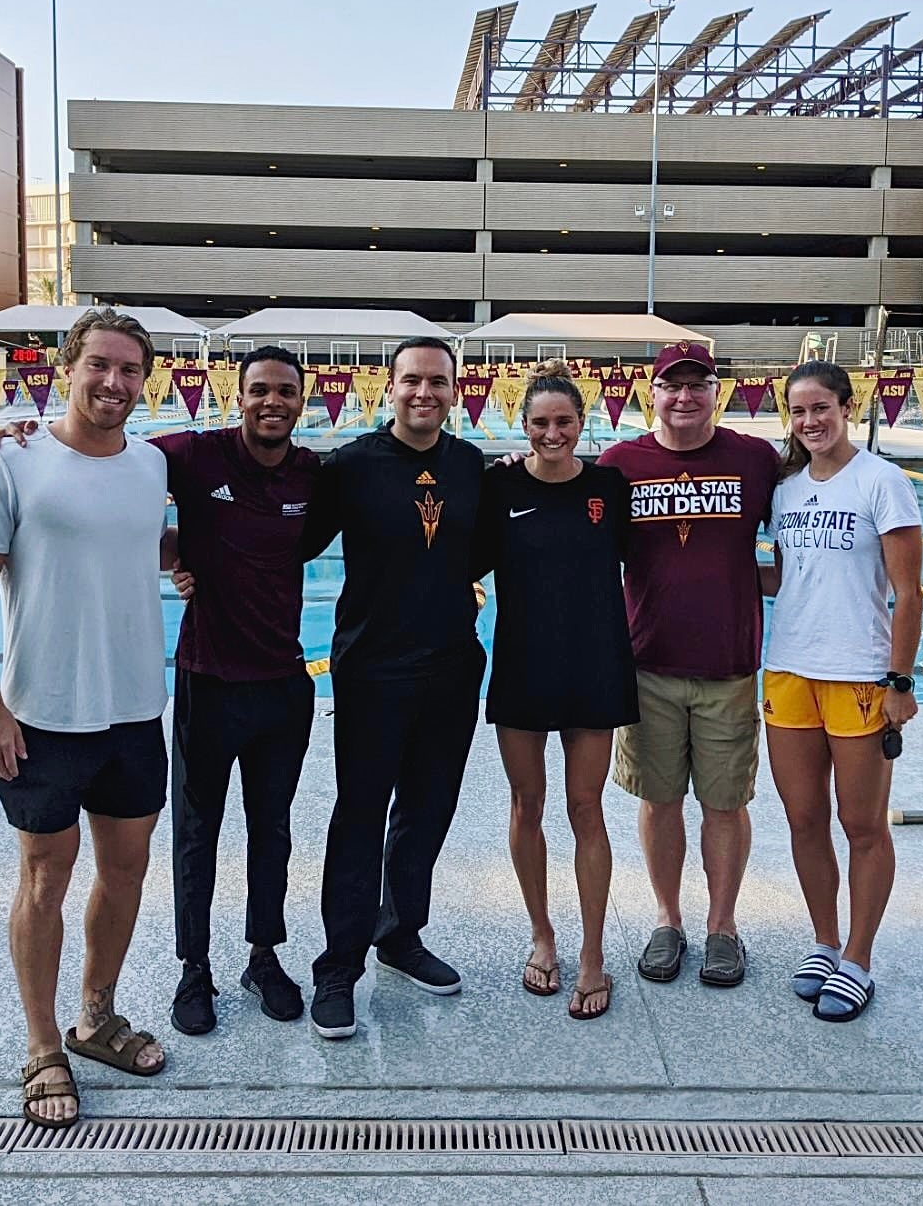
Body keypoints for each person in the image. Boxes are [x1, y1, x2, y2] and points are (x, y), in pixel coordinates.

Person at [0, 308, 172, 1129]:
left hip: (135, 710)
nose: (114, 384)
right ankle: (43, 1044)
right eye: (100, 366)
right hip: (40, 715)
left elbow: (141, 538)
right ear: (66, 368)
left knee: (126, 870)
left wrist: (183, 562)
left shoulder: (151, 465)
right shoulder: (10, 461)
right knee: (45, 876)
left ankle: (96, 1016)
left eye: (129, 370)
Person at [301, 336, 485, 1040]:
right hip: (373, 668)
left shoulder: (471, 468)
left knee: (428, 809)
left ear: (454, 390)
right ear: (390, 387)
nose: (424, 393)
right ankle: (338, 963)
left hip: (450, 667)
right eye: (412, 380)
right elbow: (284, 538)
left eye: (438, 382)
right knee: (359, 815)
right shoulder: (349, 467)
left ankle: (400, 933)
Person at [600, 341, 778, 989]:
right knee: (659, 798)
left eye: (696, 385)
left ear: (716, 392)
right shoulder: (619, 464)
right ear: (652, 394)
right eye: (671, 387)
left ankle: (723, 927)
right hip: (647, 664)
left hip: (729, 666)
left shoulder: (754, 459)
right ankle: (668, 920)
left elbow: (805, 521)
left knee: (725, 803)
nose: (683, 397)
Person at [155, 346, 321, 1035]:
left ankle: (263, 954)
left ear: (301, 401)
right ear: (239, 395)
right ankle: (194, 966)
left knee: (271, 830)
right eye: (259, 391)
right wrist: (174, 556)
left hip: (282, 683)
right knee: (197, 832)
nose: (272, 402)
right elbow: (102, 461)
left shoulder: (315, 473)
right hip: (209, 681)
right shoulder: (193, 455)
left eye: (285, 392)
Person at [761, 360, 922, 1024]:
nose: (810, 422)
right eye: (798, 412)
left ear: (847, 407)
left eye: (821, 408)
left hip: (859, 674)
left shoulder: (882, 481)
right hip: (789, 669)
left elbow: (908, 592)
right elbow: (786, 579)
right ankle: (824, 941)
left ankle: (859, 956)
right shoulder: (786, 492)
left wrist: (900, 681)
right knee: (803, 821)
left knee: (861, 825)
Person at [475, 360, 633, 1020]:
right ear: (523, 424)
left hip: (594, 664)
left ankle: (593, 954)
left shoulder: (609, 486)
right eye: (539, 423)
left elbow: (654, 561)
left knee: (584, 807)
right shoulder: (498, 487)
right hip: (522, 663)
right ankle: (543, 935)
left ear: (581, 420)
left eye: (563, 421)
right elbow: (449, 557)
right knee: (527, 801)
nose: (551, 433)